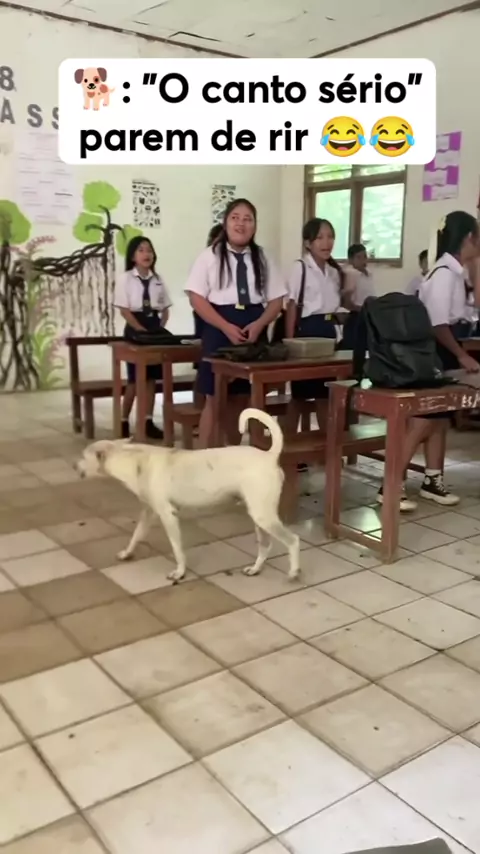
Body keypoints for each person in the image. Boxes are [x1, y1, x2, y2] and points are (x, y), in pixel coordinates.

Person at [379, 211, 480, 511]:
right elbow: (437, 324)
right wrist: (461, 355)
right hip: (434, 351)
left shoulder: (457, 271)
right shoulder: (444, 273)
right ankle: (390, 484)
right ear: (469, 238)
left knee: (439, 420)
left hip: (446, 347)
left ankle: (432, 479)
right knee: (423, 420)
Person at [186, 198, 286, 448]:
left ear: (255, 225)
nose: (241, 223)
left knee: (242, 399)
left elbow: (276, 300)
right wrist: (224, 326)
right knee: (215, 398)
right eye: (235, 218)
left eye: (247, 219)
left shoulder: (263, 258)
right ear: (225, 223)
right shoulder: (209, 256)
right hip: (219, 328)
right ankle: (204, 459)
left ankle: (232, 456)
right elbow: (196, 298)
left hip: (254, 327)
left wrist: (260, 324)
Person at [285, 217, 344, 433]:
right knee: (300, 395)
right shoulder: (300, 267)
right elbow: (292, 305)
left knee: (324, 394)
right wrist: (290, 341)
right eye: (320, 238)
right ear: (308, 243)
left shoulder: (334, 271)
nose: (326, 242)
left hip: (328, 331)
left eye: (330, 237)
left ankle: (325, 444)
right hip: (307, 332)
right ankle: (287, 443)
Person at [114, 236, 171, 440]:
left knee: (151, 379)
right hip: (135, 327)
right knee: (135, 379)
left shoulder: (157, 280)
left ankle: (147, 421)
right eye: (141, 250)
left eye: (149, 250)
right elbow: (124, 310)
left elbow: (165, 309)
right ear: (132, 256)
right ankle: (123, 420)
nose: (146, 254)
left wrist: (158, 328)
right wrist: (140, 330)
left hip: (153, 326)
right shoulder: (126, 279)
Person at [341, 243, 376, 348]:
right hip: (356, 316)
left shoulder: (369, 274)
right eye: (359, 257)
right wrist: (360, 309)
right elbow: (346, 302)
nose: (363, 260)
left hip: (369, 315)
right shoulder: (350, 274)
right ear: (351, 260)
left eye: (365, 256)